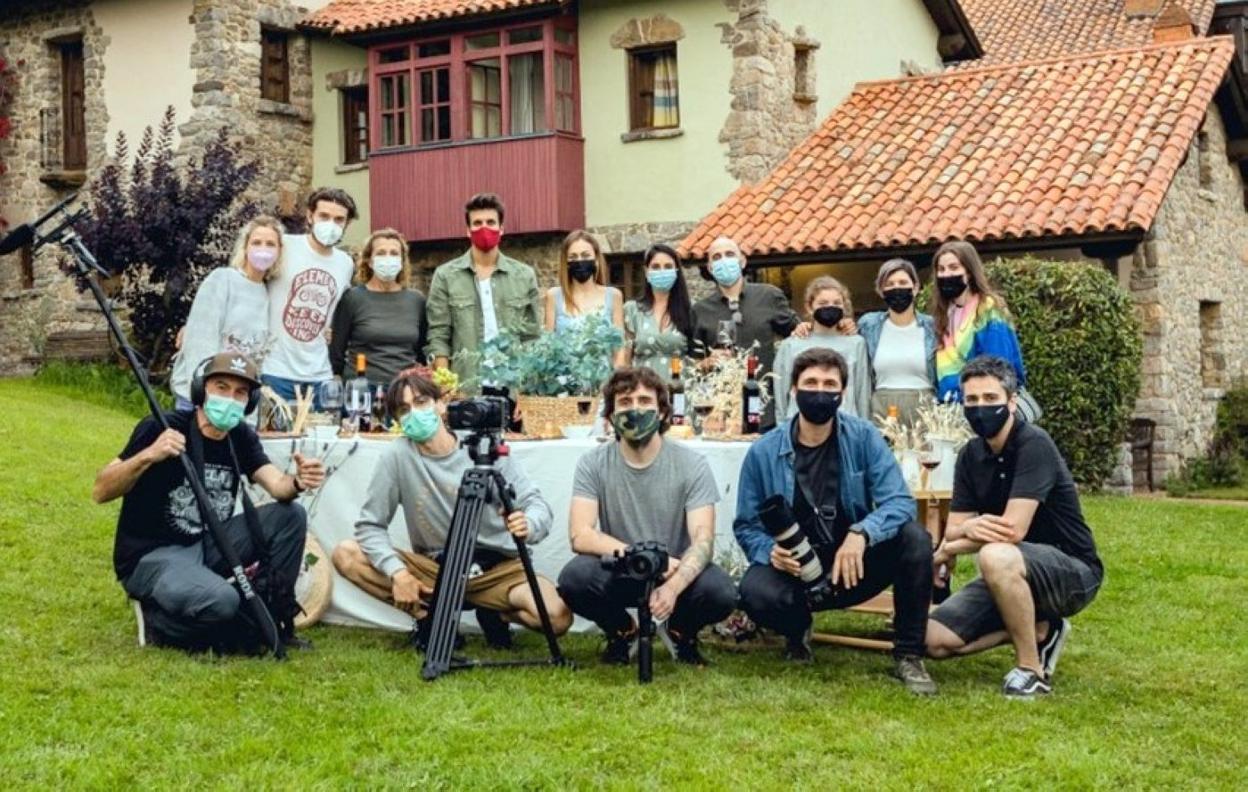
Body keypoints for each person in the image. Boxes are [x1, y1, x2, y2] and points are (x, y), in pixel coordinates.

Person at [734, 347, 938, 695]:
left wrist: (862, 533)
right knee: (755, 591)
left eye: (830, 384)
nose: (820, 391)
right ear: (794, 390)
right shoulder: (763, 451)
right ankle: (797, 631)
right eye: (811, 382)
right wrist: (770, 552)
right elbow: (746, 525)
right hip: (795, 570)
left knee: (914, 539)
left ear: (842, 393)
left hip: (852, 567)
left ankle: (909, 654)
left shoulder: (864, 437)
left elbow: (900, 502)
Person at [93, 353, 325, 652]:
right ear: (201, 390)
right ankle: (158, 622)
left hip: (207, 543)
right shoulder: (161, 427)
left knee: (290, 515)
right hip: (153, 554)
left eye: (240, 393)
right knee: (223, 601)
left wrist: (297, 481)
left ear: (250, 402)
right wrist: (149, 455)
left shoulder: (240, 436)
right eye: (221, 387)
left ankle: (272, 620)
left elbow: (278, 486)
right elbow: (101, 490)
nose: (230, 399)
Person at [332, 367, 572, 648]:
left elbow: (536, 504)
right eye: (404, 410)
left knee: (557, 617)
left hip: (497, 569)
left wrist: (527, 524)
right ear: (397, 420)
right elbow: (370, 526)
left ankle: (497, 614)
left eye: (421, 402)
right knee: (346, 554)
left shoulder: (484, 448)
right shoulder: (396, 456)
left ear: (441, 404)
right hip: (436, 569)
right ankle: (429, 618)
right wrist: (398, 573)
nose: (415, 413)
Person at [926, 356, 1102, 698]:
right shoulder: (970, 455)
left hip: (1072, 570)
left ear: (1011, 401)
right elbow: (955, 528)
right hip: (1010, 570)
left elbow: (1011, 531)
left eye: (990, 398)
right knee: (933, 640)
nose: (980, 408)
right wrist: (966, 531)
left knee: (995, 554)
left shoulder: (1034, 444)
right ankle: (1042, 629)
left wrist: (950, 548)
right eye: (972, 400)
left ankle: (1031, 670)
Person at [557, 367, 736, 665]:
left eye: (644, 401)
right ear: (610, 415)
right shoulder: (593, 463)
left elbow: (703, 539)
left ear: (663, 412)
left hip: (674, 569)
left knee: (720, 592)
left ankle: (681, 632)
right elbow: (580, 535)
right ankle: (622, 632)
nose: (635, 409)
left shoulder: (692, 464)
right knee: (575, 579)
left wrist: (673, 585)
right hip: (621, 568)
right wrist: (641, 557)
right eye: (625, 402)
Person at [426, 193, 542, 388]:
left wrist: (529, 389)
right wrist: (446, 386)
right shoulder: (446, 276)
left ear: (501, 228)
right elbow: (439, 336)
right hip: (466, 386)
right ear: (468, 231)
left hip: (513, 387)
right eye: (477, 223)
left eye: (491, 222)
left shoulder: (524, 275)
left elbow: (532, 338)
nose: (484, 228)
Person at [169, 216, 282, 411]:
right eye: (256, 242)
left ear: (279, 251)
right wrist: (204, 390)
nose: (263, 249)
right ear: (245, 247)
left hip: (234, 400)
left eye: (270, 244)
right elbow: (200, 340)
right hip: (202, 397)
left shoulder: (267, 293)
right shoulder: (223, 279)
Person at [263, 187, 358, 406]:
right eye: (324, 216)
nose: (331, 224)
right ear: (310, 216)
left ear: (347, 224)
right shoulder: (284, 246)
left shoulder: (345, 263)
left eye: (339, 219)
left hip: (320, 375)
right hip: (276, 370)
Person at [691, 236, 799, 428]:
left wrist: (840, 326)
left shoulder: (769, 296)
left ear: (742, 261)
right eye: (717, 257)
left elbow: (799, 334)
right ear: (710, 268)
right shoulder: (700, 311)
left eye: (729, 254)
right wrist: (708, 362)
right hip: (721, 414)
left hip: (765, 410)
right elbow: (692, 364)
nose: (724, 260)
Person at [329, 228, 427, 386]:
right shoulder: (352, 298)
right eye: (381, 253)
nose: (388, 258)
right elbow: (336, 352)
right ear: (369, 260)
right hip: (362, 388)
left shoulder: (417, 301)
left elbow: (422, 351)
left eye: (394, 253)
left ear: (402, 261)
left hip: (404, 390)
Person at [931, 240, 1025, 403]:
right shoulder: (945, 313)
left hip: (982, 404)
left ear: (969, 272)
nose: (946, 274)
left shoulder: (987, 310)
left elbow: (999, 366)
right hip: (949, 407)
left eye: (954, 267)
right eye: (941, 269)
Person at [772, 276, 870, 421]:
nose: (830, 307)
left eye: (837, 303)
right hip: (800, 425)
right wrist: (783, 427)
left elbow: (862, 393)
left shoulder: (856, 344)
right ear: (809, 307)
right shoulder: (790, 345)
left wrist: (862, 427)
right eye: (823, 303)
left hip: (844, 424)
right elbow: (781, 395)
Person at [857, 258, 938, 426]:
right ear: (881, 291)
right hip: (882, 408)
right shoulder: (868, 325)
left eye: (902, 282)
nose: (897, 288)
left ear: (915, 287)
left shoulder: (932, 327)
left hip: (924, 408)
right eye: (890, 284)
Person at [620, 243, 694, 381]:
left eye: (668, 266)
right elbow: (625, 359)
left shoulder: (690, 310)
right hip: (642, 388)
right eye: (655, 267)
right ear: (646, 271)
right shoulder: (632, 310)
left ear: (676, 271)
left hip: (680, 387)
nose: (662, 271)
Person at [544, 230, 624, 345]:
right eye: (573, 257)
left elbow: (619, 345)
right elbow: (547, 345)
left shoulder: (613, 295)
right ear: (566, 262)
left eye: (585, 255)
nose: (579, 261)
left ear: (596, 259)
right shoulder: (554, 296)